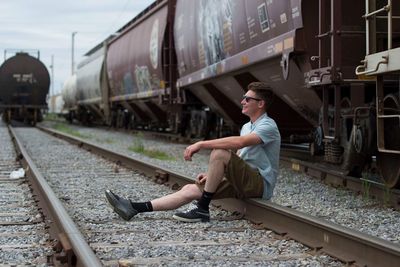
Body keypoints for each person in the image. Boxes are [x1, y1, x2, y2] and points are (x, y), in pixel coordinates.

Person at [105, 82, 281, 222]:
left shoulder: (268, 125)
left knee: (219, 152)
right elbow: (241, 155)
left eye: (247, 99)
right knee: (190, 189)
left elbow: (240, 142)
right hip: (243, 179)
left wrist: (202, 144)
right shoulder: (246, 126)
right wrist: (213, 173)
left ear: (260, 103)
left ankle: (202, 209)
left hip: (259, 183)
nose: (242, 101)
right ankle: (134, 207)